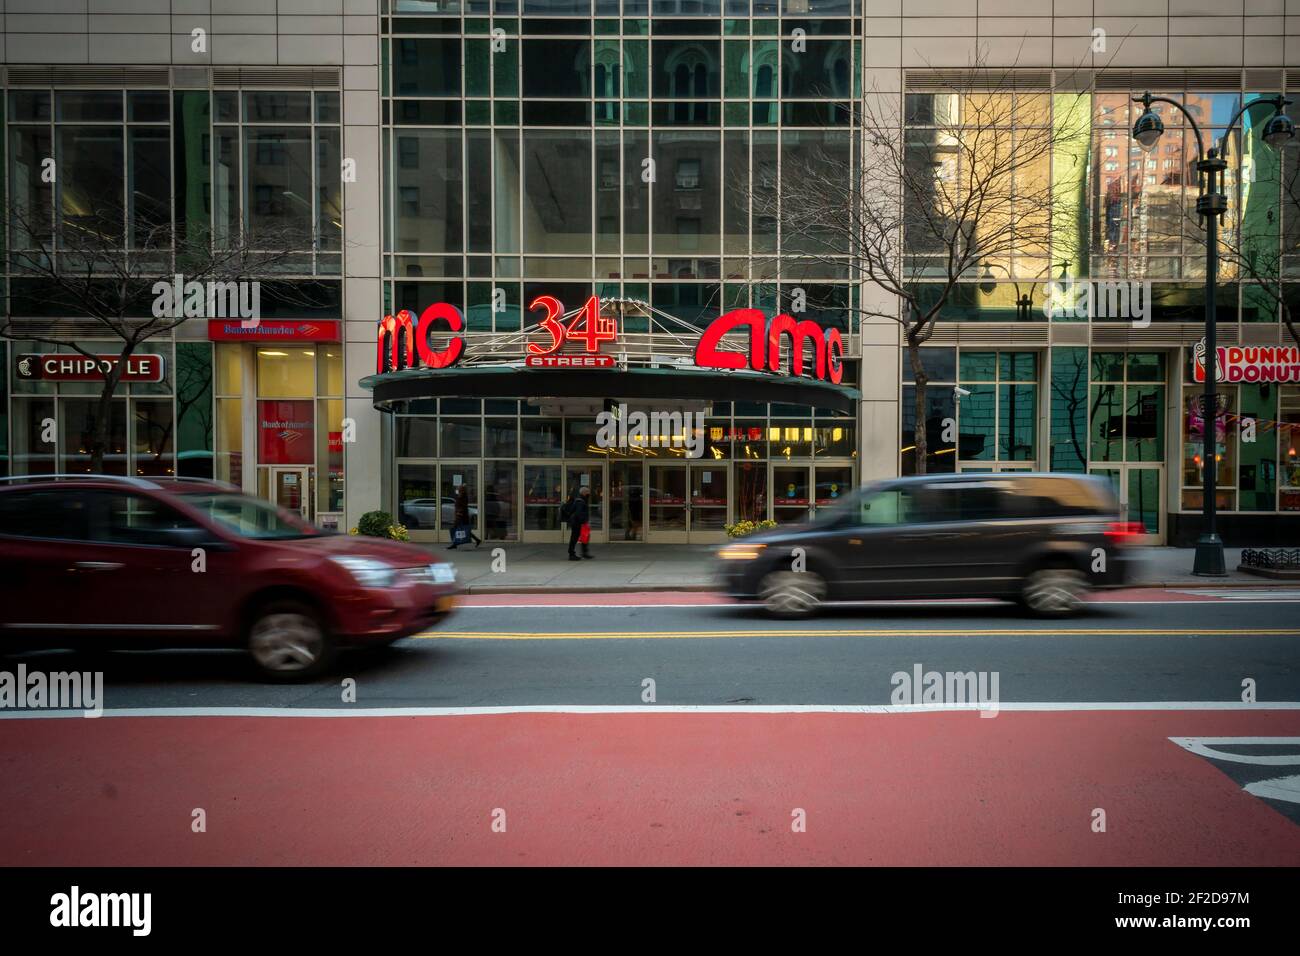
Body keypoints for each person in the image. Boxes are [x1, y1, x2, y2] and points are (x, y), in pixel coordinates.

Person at [448, 483, 481, 550]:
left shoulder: (462, 496)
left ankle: (454, 544)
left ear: (461, 490)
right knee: (465, 530)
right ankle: (477, 540)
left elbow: (462, 506)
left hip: (460, 516)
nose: (457, 489)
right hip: (461, 515)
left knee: (454, 529)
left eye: (458, 488)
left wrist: (459, 513)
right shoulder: (461, 495)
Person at [566, 485, 592, 561]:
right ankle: (571, 554)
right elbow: (578, 513)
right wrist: (583, 522)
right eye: (588, 492)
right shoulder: (580, 501)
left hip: (578, 522)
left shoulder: (580, 500)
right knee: (574, 538)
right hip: (577, 523)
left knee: (585, 537)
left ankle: (584, 553)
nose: (589, 494)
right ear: (584, 493)